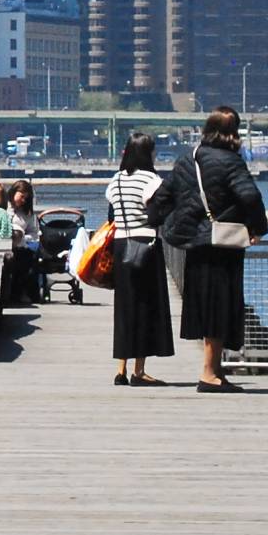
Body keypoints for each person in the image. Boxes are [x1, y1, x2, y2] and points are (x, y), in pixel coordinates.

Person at [143, 106, 268, 392]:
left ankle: (214, 369)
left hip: (195, 244)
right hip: (223, 245)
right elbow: (249, 195)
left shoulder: (189, 159)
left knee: (204, 304)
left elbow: (164, 194)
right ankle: (209, 374)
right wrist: (257, 228)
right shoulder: (230, 161)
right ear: (233, 132)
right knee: (221, 305)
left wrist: (158, 222)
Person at [104, 132, 173, 385]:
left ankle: (120, 370)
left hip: (121, 244)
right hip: (145, 245)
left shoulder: (116, 180)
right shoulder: (152, 180)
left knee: (124, 308)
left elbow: (112, 216)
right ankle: (139, 371)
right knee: (145, 306)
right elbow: (155, 217)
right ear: (147, 154)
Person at [3, 179, 44, 304]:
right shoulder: (3, 207)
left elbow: (34, 233)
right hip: (2, 245)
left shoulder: (27, 214)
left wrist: (22, 238)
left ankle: (23, 293)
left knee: (28, 259)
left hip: (20, 246)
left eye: (26, 198)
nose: (23, 201)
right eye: (21, 196)